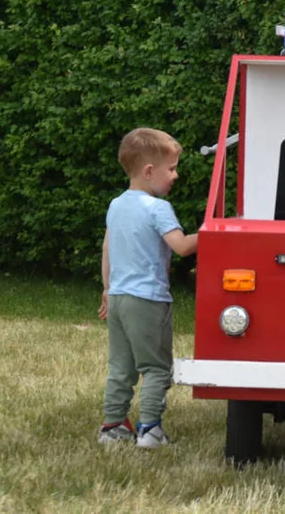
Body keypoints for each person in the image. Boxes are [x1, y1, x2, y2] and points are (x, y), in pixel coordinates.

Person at [97, 127, 198, 448]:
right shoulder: (157, 209)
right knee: (156, 368)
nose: (176, 175)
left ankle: (112, 427)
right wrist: (217, 231)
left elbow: (107, 249)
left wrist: (106, 289)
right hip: (148, 301)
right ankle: (150, 430)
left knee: (121, 367)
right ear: (149, 171)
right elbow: (181, 246)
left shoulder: (117, 205)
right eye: (171, 168)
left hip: (118, 298)